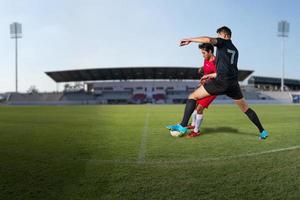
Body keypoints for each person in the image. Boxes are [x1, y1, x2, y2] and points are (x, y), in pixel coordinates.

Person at [167, 26, 269, 140]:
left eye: (219, 35)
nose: (218, 38)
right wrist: (209, 75)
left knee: (193, 96)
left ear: (225, 35)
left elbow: (209, 40)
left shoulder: (223, 42)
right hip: (233, 84)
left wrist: (190, 39)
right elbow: (225, 67)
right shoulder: (235, 50)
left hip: (221, 82)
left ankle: (182, 126)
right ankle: (262, 131)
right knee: (246, 109)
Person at [186, 43, 217, 138]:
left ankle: (196, 131)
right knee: (194, 104)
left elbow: (218, 75)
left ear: (210, 51)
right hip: (205, 87)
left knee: (199, 109)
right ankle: (194, 124)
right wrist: (202, 68)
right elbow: (208, 69)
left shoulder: (217, 62)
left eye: (204, 53)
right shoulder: (206, 59)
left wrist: (206, 79)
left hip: (213, 89)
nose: (202, 55)